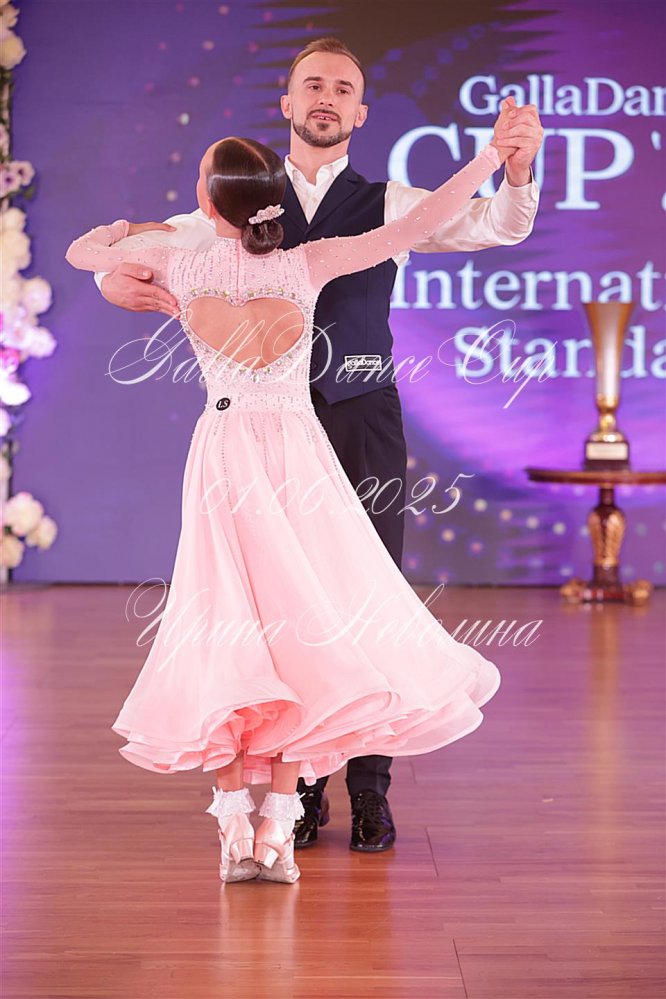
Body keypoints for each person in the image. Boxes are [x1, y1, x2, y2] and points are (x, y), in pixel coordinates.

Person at [92, 37, 542, 854]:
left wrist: (514, 167)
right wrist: (113, 278)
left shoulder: (388, 200)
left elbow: (496, 225)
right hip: (264, 435)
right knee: (279, 604)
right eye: (313, 85)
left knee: (365, 590)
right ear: (289, 103)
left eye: (343, 87)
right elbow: (134, 255)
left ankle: (371, 788)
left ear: (360, 112)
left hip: (360, 413)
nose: (327, 97)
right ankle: (295, 788)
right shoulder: (234, 195)